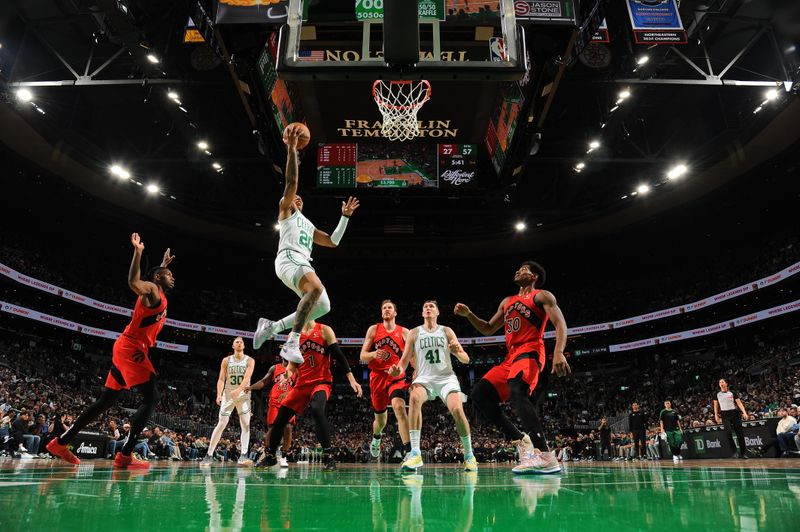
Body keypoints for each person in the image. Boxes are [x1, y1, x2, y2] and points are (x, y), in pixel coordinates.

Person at [47, 233, 175, 469]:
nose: (173, 277)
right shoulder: (151, 291)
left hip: (125, 346)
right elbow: (134, 283)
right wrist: (138, 253)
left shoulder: (158, 290)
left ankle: (60, 442)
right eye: (168, 275)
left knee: (106, 400)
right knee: (152, 396)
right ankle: (125, 455)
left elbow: (153, 277)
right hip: (132, 348)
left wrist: (163, 265)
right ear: (158, 278)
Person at [253, 124, 360, 363]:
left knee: (323, 305)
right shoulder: (286, 211)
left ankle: (271, 328)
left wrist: (345, 217)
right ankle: (292, 341)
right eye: (294, 197)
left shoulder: (308, 225)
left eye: (300, 198)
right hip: (289, 257)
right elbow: (291, 183)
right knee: (316, 289)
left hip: (299, 261)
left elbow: (332, 242)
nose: (297, 198)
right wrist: (291, 149)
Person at [454, 261, 570, 475]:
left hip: (530, 350)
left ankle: (545, 455)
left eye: (524, 269)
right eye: (517, 268)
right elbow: (488, 329)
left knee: (518, 393)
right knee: (479, 394)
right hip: (510, 357)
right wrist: (469, 314)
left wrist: (559, 352)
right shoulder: (507, 301)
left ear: (534, 276)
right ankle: (520, 439)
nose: (518, 270)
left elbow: (560, 324)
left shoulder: (542, 296)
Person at [257, 320, 363, 471]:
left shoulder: (325, 330)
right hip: (302, 384)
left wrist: (352, 379)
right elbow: (292, 365)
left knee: (317, 409)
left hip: (321, 381)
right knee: (280, 418)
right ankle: (270, 457)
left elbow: (339, 356)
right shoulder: (293, 336)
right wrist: (286, 375)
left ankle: (329, 457)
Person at [389, 300, 477, 472]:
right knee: (414, 397)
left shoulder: (446, 331)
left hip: (446, 378)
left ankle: (469, 455)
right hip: (424, 378)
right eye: (425, 307)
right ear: (422, 313)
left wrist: (457, 351)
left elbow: (466, 359)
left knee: (458, 410)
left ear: (437, 313)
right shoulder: (414, 333)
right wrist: (396, 371)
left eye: (431, 307)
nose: (428, 309)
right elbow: (404, 362)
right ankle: (415, 454)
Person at [360, 300, 411, 460]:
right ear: (382, 313)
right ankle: (376, 438)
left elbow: (412, 356)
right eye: (384, 308)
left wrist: (416, 372)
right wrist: (373, 354)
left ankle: (409, 452)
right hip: (377, 377)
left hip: (396, 376)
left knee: (399, 408)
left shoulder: (404, 332)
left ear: (395, 313)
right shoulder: (374, 329)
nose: (387, 310)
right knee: (380, 421)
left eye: (389, 308)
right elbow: (362, 355)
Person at [200, 337, 255, 467]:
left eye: (241, 342)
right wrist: (219, 394)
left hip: (244, 395)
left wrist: (239, 389)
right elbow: (221, 379)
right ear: (232, 346)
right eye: (237, 341)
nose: (239, 343)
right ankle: (209, 455)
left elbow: (247, 377)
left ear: (244, 346)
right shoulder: (226, 360)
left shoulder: (250, 360)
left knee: (246, 424)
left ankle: (243, 455)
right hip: (228, 394)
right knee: (222, 423)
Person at [244, 360, 296, 468]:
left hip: (289, 400)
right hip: (275, 401)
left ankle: (284, 456)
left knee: (288, 427)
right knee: (272, 429)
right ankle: (268, 455)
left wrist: (288, 393)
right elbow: (263, 382)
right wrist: (251, 387)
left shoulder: (296, 369)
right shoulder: (274, 368)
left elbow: (299, 385)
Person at [714, 378, 750, 459]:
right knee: (728, 433)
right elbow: (716, 405)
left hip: (734, 413)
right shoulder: (717, 394)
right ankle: (734, 452)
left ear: (726, 384)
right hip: (724, 414)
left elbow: (739, 403)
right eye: (719, 382)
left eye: (722, 382)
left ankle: (743, 453)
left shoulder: (732, 392)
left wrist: (744, 412)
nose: (721, 383)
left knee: (739, 433)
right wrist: (716, 415)